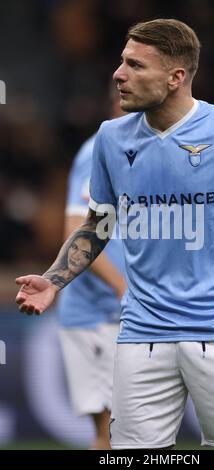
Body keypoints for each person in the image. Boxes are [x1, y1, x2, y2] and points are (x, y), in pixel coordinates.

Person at [16, 19, 214, 450]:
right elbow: (97, 225)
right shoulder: (110, 139)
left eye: (135, 65)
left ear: (175, 77)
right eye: (121, 62)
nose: (118, 74)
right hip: (141, 334)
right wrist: (53, 280)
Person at [56, 129, 127, 450]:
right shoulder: (100, 148)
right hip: (98, 314)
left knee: (130, 432)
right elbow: (76, 232)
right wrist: (123, 288)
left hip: (125, 314)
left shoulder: (150, 149)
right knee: (113, 432)